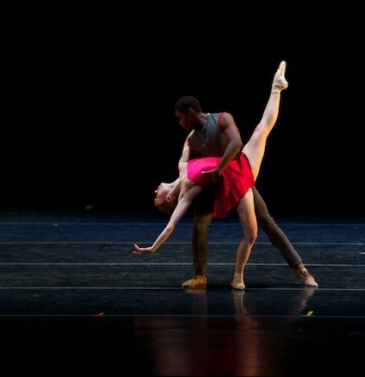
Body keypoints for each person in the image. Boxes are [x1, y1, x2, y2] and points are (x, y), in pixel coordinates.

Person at [133, 61, 315, 290]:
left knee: (261, 136)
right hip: (215, 185)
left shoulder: (220, 120)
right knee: (199, 225)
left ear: (190, 112)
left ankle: (300, 268)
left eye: (181, 118)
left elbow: (237, 144)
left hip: (237, 171)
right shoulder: (190, 147)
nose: (180, 123)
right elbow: (171, 223)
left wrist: (219, 169)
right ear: (169, 199)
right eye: (157, 198)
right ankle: (200, 276)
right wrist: (153, 247)